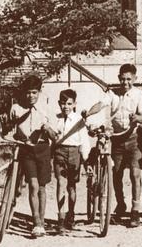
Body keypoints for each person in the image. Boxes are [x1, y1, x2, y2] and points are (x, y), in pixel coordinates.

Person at [85, 63, 142, 227]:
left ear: (134, 78)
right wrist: (88, 112)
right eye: (123, 79)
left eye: (129, 79)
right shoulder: (112, 93)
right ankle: (121, 204)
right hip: (116, 139)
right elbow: (101, 104)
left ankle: (135, 211)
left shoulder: (139, 95)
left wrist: (137, 118)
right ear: (119, 78)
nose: (125, 82)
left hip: (133, 139)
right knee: (116, 175)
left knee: (135, 174)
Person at [8, 74, 57, 238]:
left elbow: (54, 134)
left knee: (42, 187)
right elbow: (8, 128)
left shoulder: (47, 108)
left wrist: (47, 128)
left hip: (43, 149)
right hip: (26, 149)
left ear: (39, 92)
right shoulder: (16, 108)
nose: (31, 96)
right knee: (33, 185)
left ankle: (41, 222)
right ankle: (36, 222)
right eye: (28, 92)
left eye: (34, 92)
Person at [51, 89, 90, 232]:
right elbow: (51, 138)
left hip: (74, 153)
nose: (65, 106)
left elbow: (84, 141)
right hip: (59, 152)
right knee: (61, 184)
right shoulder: (56, 118)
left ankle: (71, 214)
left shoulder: (79, 120)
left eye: (69, 103)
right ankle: (61, 218)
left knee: (71, 186)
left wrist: (85, 160)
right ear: (59, 103)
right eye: (63, 103)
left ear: (74, 104)